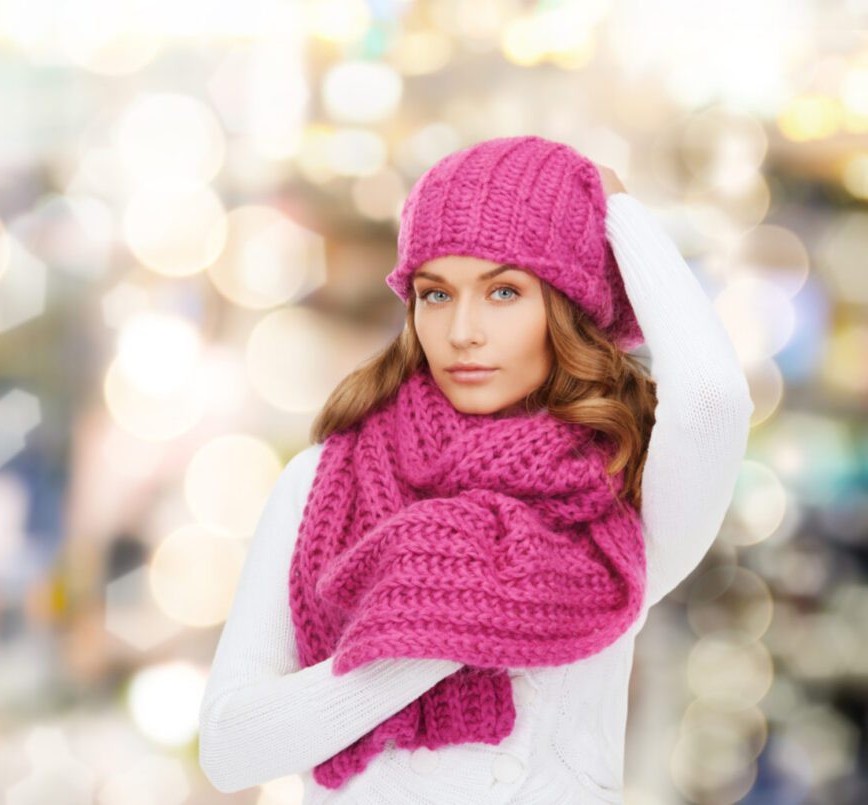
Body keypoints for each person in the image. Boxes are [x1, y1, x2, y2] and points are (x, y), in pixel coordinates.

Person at [198, 135, 754, 804]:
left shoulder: (620, 495)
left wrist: (620, 213)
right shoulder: (322, 480)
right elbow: (229, 749)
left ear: (569, 307)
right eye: (436, 295)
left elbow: (713, 398)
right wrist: (436, 627)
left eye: (504, 292)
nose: (462, 330)